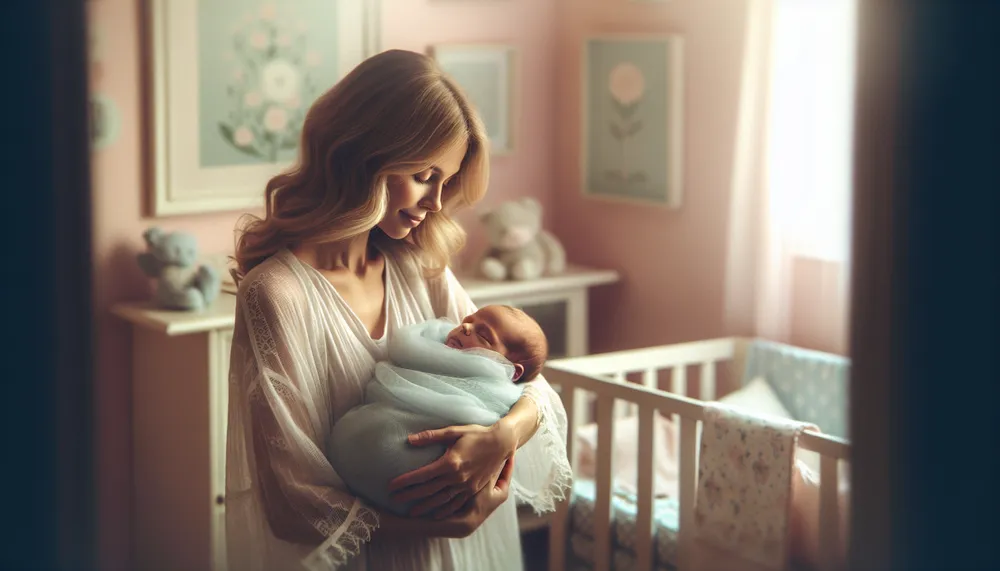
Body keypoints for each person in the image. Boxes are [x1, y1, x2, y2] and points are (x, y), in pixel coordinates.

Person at [225, 49, 572, 571]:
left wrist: (501, 436)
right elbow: (290, 501)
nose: (436, 201)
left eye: (446, 182)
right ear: (361, 155)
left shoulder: (419, 267)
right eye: (424, 174)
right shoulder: (276, 295)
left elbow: (529, 385)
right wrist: (443, 521)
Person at [325, 306, 550, 518]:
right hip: (384, 424)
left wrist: (505, 432)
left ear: (512, 372)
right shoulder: (430, 343)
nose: (466, 327)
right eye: (468, 320)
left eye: (483, 335)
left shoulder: (499, 388)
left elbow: (538, 394)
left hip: (440, 464)